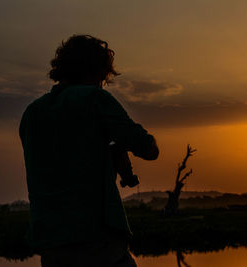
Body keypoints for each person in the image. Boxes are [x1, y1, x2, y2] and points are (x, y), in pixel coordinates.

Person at [19, 34, 159, 267]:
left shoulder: (31, 113)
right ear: (97, 70)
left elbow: (66, 160)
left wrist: (109, 157)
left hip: (51, 244)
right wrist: (137, 143)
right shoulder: (94, 98)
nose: (104, 81)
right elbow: (147, 149)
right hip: (97, 241)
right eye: (104, 75)